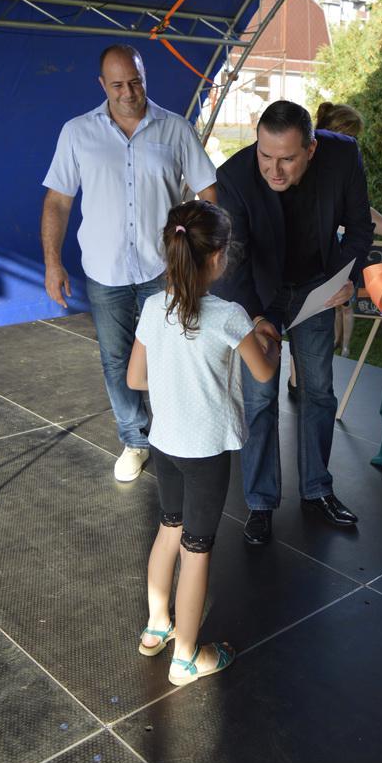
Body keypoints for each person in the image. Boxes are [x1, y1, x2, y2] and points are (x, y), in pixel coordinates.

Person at [41, 44, 217, 482]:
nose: (128, 92)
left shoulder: (175, 129)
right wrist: (52, 263)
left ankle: (177, 435)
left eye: (135, 82)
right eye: (117, 84)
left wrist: (200, 256)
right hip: (105, 271)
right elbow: (58, 202)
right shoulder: (77, 133)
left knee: (175, 352)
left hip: (165, 270)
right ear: (102, 85)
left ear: (145, 78)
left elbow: (209, 193)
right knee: (117, 359)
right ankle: (135, 440)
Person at [127, 200, 279, 686]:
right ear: (216, 258)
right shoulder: (229, 316)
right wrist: (268, 339)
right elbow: (264, 372)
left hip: (165, 443)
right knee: (197, 550)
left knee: (168, 530)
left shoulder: (154, 308)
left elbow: (135, 378)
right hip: (205, 452)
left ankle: (157, 626)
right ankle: (187, 657)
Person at [214, 99, 374, 545]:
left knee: (318, 390)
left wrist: (345, 279)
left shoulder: (343, 155)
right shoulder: (234, 176)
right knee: (259, 397)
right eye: (265, 156)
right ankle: (261, 502)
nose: (274, 170)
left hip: (317, 284)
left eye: (286, 159)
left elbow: (359, 229)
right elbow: (233, 261)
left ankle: (317, 489)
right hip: (259, 291)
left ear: (311, 148)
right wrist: (256, 317)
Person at [314, 101, 382, 358]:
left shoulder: (341, 172)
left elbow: (361, 213)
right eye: (350, 138)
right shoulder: (311, 168)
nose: (354, 147)